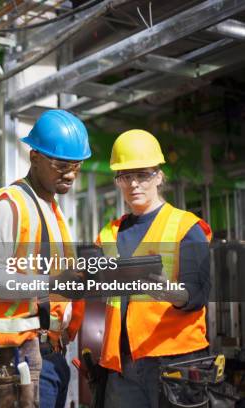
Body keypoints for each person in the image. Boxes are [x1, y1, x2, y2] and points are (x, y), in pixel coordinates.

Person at [0, 109, 89, 407]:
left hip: (52, 355)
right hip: (22, 357)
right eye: (62, 164)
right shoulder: (11, 205)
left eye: (77, 165)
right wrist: (48, 283)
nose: (71, 174)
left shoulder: (50, 209)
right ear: (35, 157)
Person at [96, 129, 212, 408]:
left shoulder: (186, 228)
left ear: (159, 176)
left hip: (175, 363)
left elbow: (198, 294)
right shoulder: (108, 234)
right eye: (125, 176)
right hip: (122, 367)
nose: (133, 183)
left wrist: (170, 292)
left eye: (143, 174)